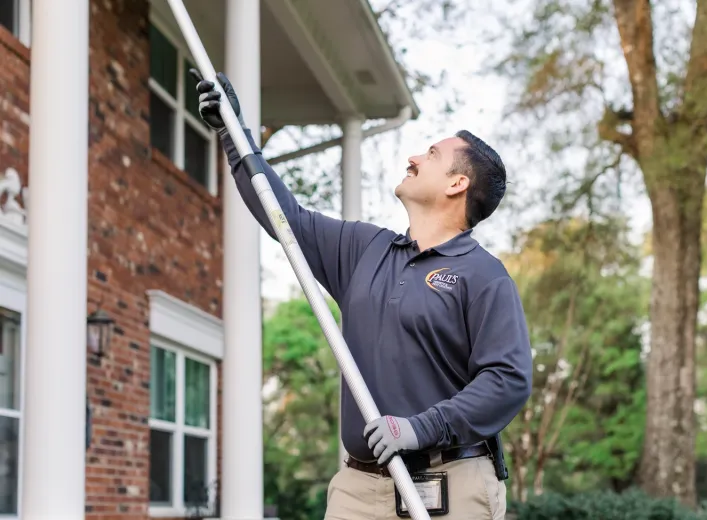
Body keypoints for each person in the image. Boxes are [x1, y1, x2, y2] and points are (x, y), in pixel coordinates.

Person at [191, 70, 533, 520]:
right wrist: (234, 136)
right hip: (359, 488)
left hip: (453, 486)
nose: (413, 156)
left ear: (457, 184)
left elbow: (507, 380)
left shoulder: (484, 276)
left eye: (430, 154)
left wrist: (418, 428)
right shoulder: (364, 250)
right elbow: (284, 218)